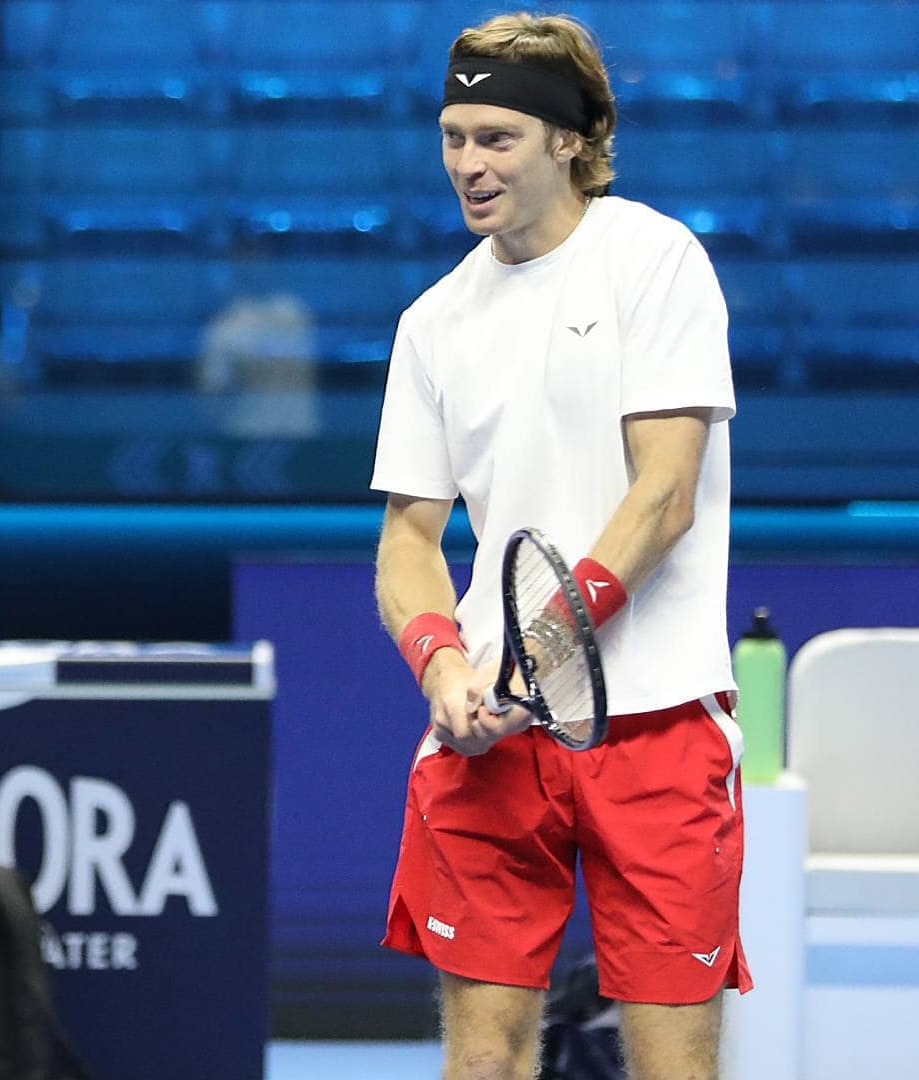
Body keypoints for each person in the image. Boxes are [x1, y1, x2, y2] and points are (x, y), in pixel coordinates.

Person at [370, 14, 749, 1080]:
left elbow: (664, 495)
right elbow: (407, 540)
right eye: (454, 138)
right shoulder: (433, 321)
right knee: (482, 1063)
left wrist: (537, 655)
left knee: (673, 1069)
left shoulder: (656, 261)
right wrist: (442, 665)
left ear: (570, 140)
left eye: (497, 138)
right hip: (492, 744)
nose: (469, 165)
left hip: (658, 725)